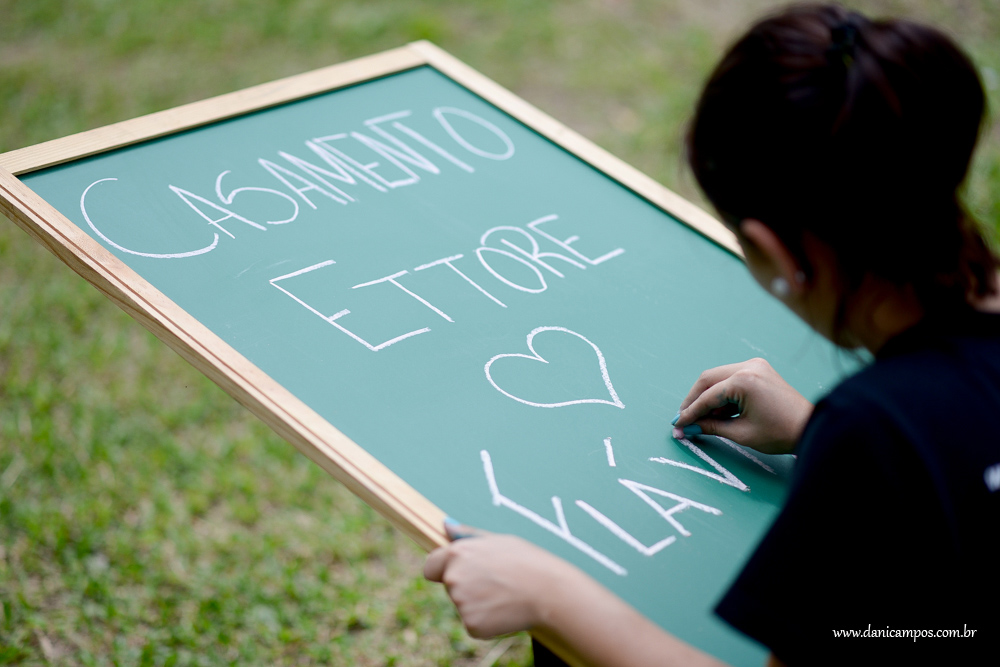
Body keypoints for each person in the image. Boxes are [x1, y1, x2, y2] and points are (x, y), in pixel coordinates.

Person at [423, 3, 1000, 664]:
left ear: (779, 257)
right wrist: (819, 431)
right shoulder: (890, 427)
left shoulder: (874, 429)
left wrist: (553, 596)